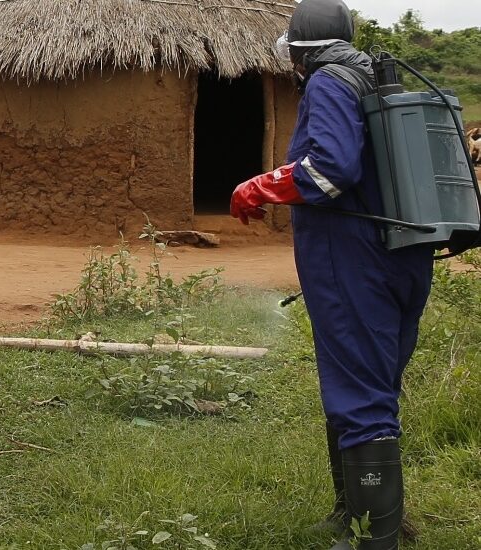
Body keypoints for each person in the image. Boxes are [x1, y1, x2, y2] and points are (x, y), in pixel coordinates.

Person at [230, 1, 435, 548]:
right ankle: (359, 515)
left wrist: (258, 186)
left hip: (353, 260)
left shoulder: (328, 81)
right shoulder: (374, 79)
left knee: (360, 393)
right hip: (401, 256)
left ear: (299, 51)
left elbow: (331, 170)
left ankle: (374, 538)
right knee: (370, 385)